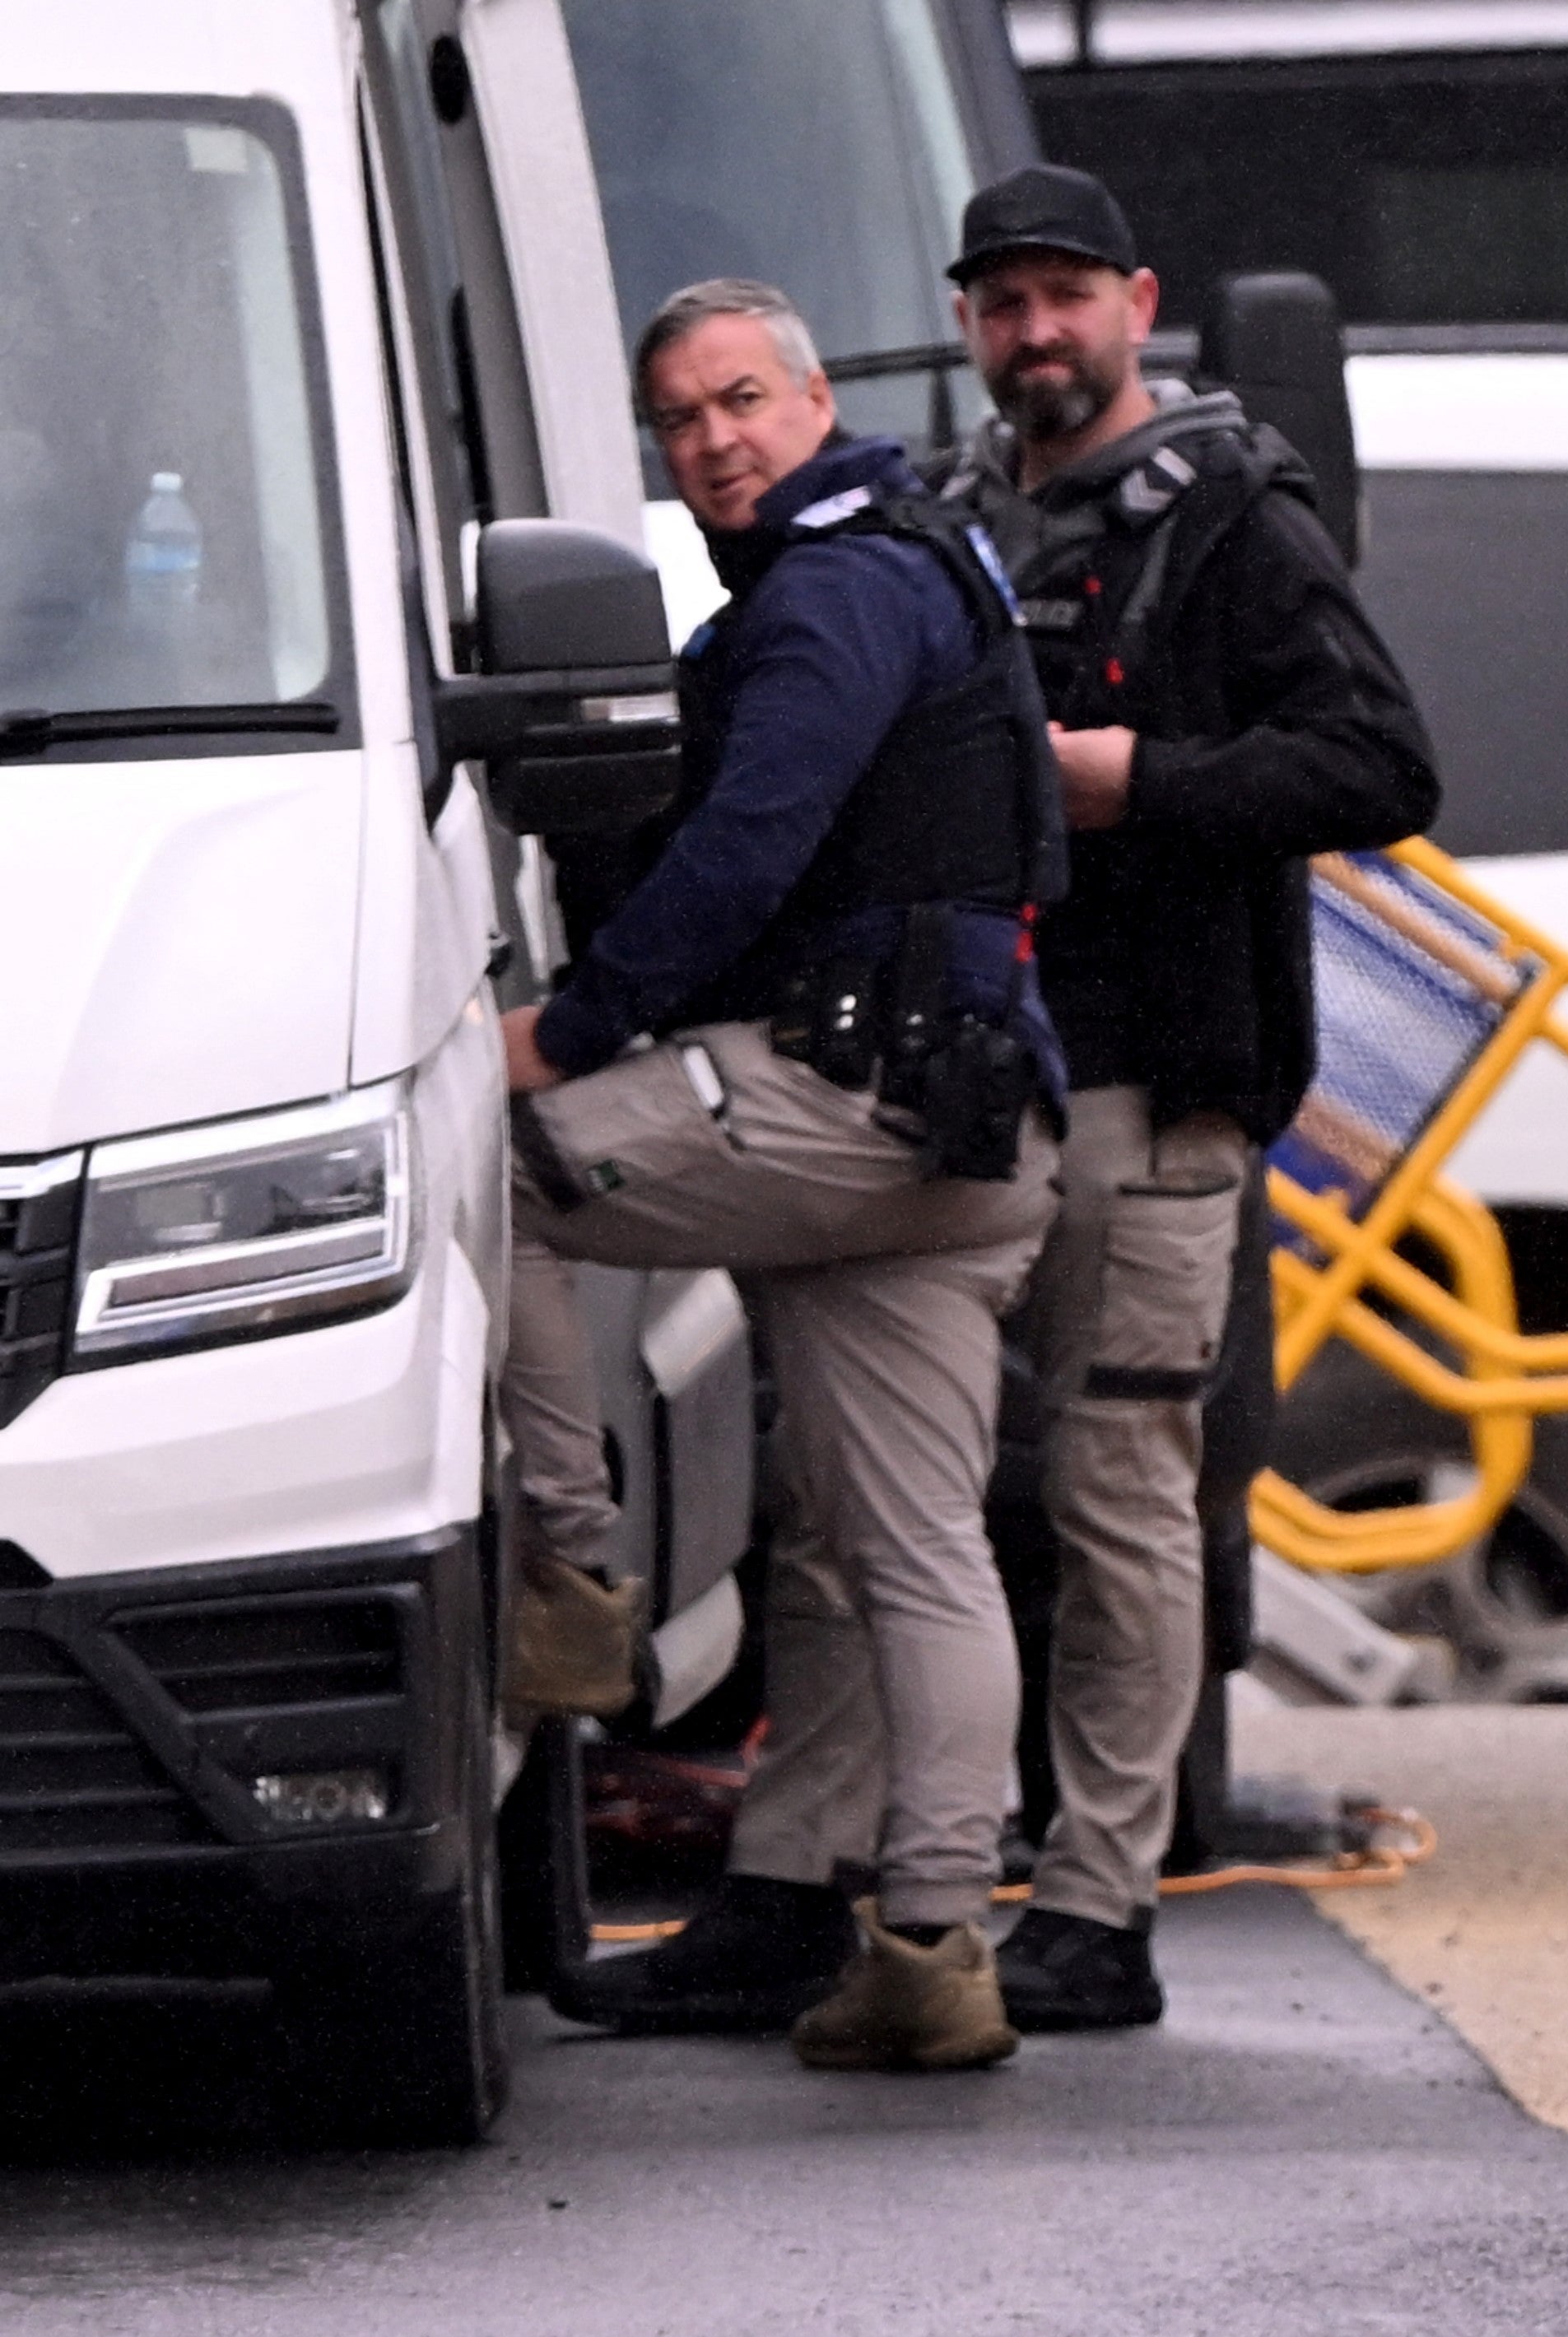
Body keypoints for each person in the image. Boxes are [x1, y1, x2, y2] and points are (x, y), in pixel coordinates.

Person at [654, 165, 1438, 2039]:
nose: (1033, 334)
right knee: (857, 1498)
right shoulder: (950, 519)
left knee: (1115, 1496)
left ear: (1135, 302)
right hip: (945, 1088)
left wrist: (1128, 779)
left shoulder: (1232, 512)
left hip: (1149, 1089)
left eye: (1064, 297)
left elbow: (1382, 761)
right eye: (999, 303)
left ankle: (1098, 1901)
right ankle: (792, 1881)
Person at [505, 278, 1067, 2070]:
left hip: (852, 1106)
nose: (715, 441)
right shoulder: (924, 556)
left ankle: (572, 1599)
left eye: (741, 400)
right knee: (900, 1555)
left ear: (816, 400)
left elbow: (754, 841)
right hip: (974, 1129)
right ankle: (921, 1942)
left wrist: (579, 1028)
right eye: (681, 422)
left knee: (485, 1170)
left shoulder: (830, 592)